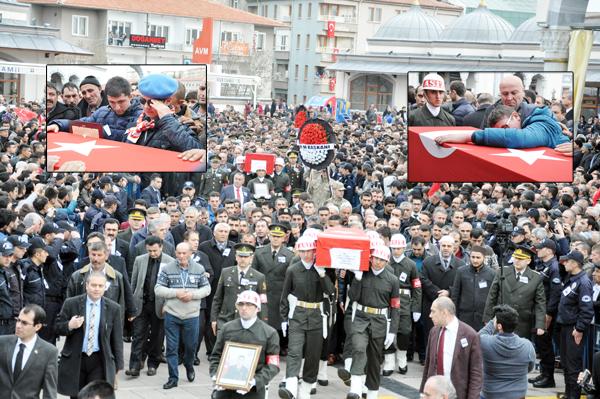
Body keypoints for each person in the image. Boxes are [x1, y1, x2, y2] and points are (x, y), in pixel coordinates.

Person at [278, 234, 335, 399]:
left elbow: (330, 292)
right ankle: (290, 386)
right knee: (295, 350)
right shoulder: (293, 270)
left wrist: (322, 274)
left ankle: (306, 390)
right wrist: (283, 318)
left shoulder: (323, 268)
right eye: (302, 251)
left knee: (313, 354)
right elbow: (285, 295)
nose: (306, 254)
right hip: (297, 314)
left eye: (309, 251)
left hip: (317, 315)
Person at [55, 271, 124, 399]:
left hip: (98, 359)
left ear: (105, 287)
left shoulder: (113, 308)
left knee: (95, 395)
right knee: (76, 395)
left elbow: (117, 339)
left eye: (100, 286)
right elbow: (57, 327)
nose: (96, 289)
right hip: (76, 358)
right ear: (87, 285)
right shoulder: (71, 303)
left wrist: (118, 366)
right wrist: (70, 325)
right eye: (93, 285)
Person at [344, 245, 400, 399]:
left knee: (375, 359)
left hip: (379, 321)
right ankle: (355, 387)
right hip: (361, 318)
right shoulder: (363, 273)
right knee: (359, 348)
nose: (377, 262)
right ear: (371, 258)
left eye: (382, 260)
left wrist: (392, 331)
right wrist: (357, 279)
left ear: (387, 261)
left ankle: (372, 393)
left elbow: (395, 307)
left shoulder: (392, 280)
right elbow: (353, 297)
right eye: (375, 258)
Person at [155, 242, 211, 389]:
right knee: (172, 348)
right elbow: (158, 288)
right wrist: (175, 293)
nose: (181, 256)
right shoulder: (167, 268)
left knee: (191, 346)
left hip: (192, 315)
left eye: (184, 253)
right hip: (172, 314)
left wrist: (192, 295)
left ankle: (189, 365)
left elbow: (207, 288)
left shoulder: (198, 269)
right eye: (178, 253)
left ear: (190, 253)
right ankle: (173, 377)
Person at [210, 290, 280, 399]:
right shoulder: (227, 328)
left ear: (258, 308)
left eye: (249, 304)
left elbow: (273, 365)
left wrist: (255, 381)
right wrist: (215, 375)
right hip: (225, 388)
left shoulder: (270, 333)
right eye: (241, 304)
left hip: (253, 390)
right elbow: (215, 356)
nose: (244, 308)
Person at [126, 236, 174, 377]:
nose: (152, 253)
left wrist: (167, 305)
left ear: (161, 247)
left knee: (157, 337)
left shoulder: (170, 262)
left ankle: (153, 364)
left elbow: (171, 286)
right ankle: (134, 366)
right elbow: (134, 283)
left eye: (155, 251)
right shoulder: (140, 260)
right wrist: (132, 305)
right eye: (149, 251)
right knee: (138, 335)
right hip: (142, 303)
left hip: (159, 305)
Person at [420, 297, 482, 399]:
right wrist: (423, 393)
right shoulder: (434, 332)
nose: (430, 315)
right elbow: (428, 365)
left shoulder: (470, 335)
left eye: (433, 311)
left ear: (444, 313)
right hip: (435, 394)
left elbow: (476, 374)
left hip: (457, 394)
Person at [47, 76, 143, 142]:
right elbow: (83, 123)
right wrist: (59, 124)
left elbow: (129, 139)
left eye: (121, 102)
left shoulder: (141, 116)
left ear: (130, 97)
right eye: (112, 102)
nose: (117, 107)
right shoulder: (102, 111)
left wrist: (103, 132)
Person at [434, 104, 570, 149]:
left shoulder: (542, 124)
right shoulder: (536, 122)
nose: (503, 136)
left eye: (505, 128)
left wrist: (469, 136)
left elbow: (520, 138)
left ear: (516, 116)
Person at [125, 74, 203, 152]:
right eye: (142, 100)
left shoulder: (180, 124)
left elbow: (196, 150)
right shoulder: (137, 121)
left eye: (151, 102)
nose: (146, 107)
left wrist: (166, 119)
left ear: (168, 101)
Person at [483, 246, 546, 340]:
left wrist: (540, 325)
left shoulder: (536, 277)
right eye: (515, 257)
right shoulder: (502, 271)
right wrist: (487, 318)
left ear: (528, 261)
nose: (517, 261)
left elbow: (540, 303)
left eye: (521, 259)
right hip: (502, 319)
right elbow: (492, 295)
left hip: (522, 321)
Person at [252, 223, 295, 355]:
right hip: (263, 294)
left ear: (284, 238)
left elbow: (291, 278)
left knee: (277, 325)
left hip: (280, 295)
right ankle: (261, 349)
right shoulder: (259, 253)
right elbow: (254, 274)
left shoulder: (289, 255)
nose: (276, 239)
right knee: (262, 322)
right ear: (269, 236)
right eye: (273, 236)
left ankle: (274, 349)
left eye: (279, 236)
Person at [556, 250, 594, 399]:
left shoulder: (583, 282)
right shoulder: (571, 278)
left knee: (573, 366)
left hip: (574, 329)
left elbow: (587, 310)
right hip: (565, 326)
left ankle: (574, 396)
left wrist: (579, 329)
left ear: (574, 263)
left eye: (567, 261)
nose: (564, 263)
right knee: (566, 363)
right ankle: (568, 394)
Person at [0, 304, 58, 399]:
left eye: (24, 323)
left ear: (37, 327)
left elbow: (49, 391)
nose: (18, 326)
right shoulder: (2, 343)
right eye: (18, 320)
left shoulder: (49, 352)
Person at [382, 234, 421, 375]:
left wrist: (416, 307)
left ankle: (402, 358)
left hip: (404, 302)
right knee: (387, 329)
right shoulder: (386, 262)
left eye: (399, 248)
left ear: (404, 248)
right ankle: (389, 361)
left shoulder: (411, 264)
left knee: (404, 331)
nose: (396, 251)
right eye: (393, 248)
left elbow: (417, 286)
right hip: (387, 300)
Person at [478, 304, 536, 399]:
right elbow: (529, 368)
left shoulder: (486, 342)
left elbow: (477, 338)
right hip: (518, 395)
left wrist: (493, 322)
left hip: (491, 394)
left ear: (499, 326)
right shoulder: (527, 346)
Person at [210, 243, 268, 334]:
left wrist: (263, 323)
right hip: (225, 320)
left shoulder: (259, 277)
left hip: (248, 321)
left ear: (251, 258)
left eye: (246, 257)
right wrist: (214, 319)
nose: (243, 259)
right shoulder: (226, 273)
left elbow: (262, 303)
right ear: (236, 257)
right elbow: (218, 298)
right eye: (240, 256)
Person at [530, 238, 562, 388]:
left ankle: (549, 378)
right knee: (541, 343)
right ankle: (544, 373)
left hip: (547, 312)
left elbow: (555, 293)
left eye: (541, 248)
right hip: (540, 309)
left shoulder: (554, 267)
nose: (538, 250)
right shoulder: (544, 265)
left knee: (545, 344)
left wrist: (548, 313)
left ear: (549, 250)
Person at [450, 245, 495, 331]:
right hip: (464, 316)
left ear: (484, 258)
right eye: (473, 257)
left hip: (483, 318)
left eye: (478, 257)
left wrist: (489, 317)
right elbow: (455, 295)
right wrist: (454, 315)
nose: (475, 260)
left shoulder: (492, 274)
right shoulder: (461, 271)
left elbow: (493, 297)